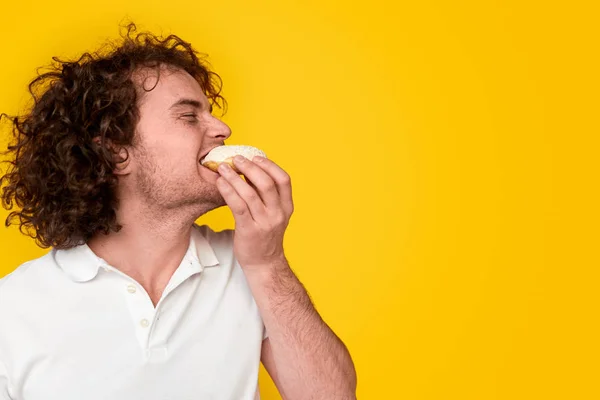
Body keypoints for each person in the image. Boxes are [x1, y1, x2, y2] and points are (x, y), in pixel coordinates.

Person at [0, 23, 357, 400]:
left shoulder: (249, 268)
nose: (223, 128)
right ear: (117, 152)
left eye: (211, 113)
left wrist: (268, 264)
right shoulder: (13, 307)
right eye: (190, 116)